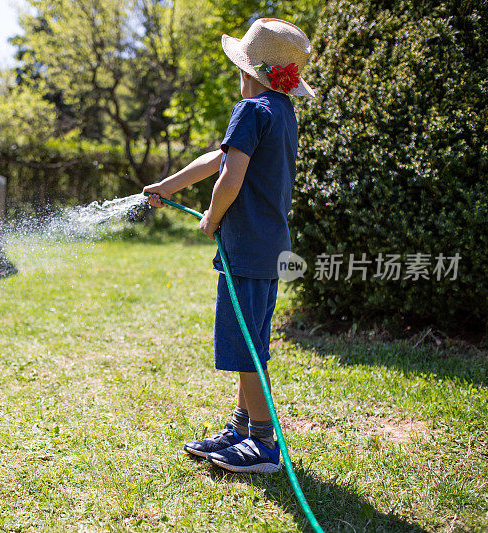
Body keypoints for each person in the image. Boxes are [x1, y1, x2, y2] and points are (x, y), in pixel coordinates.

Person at [143, 18, 315, 474]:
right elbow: (217, 158)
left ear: (248, 71)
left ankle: (262, 443)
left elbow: (229, 177)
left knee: (246, 348)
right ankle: (242, 428)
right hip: (270, 247)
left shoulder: (249, 111)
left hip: (247, 247)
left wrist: (211, 218)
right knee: (251, 342)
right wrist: (168, 185)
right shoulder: (279, 113)